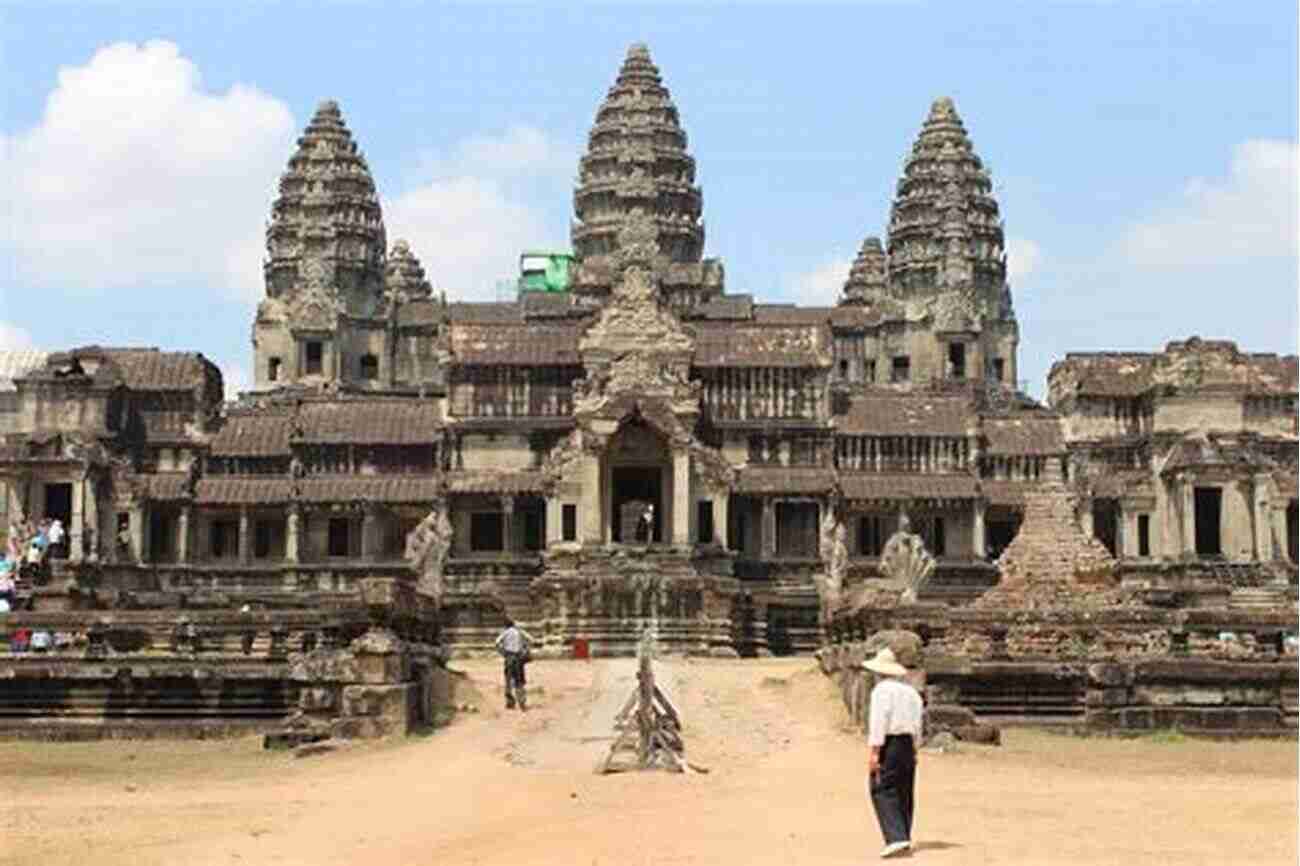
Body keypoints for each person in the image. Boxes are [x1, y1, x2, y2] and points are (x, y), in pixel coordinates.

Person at [863, 647, 924, 859]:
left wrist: (874, 752)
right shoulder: (912, 692)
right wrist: (915, 748)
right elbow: (918, 724)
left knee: (881, 787)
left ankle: (896, 837)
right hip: (908, 743)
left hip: (891, 743)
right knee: (904, 789)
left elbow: (879, 722)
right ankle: (904, 834)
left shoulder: (881, 691)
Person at [493, 618, 536, 711]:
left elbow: (496, 643)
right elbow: (531, 640)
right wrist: (525, 650)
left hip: (509, 657)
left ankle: (510, 702)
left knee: (508, 680)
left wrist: (503, 652)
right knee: (519, 680)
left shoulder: (505, 632)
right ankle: (522, 702)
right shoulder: (520, 632)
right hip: (519, 658)